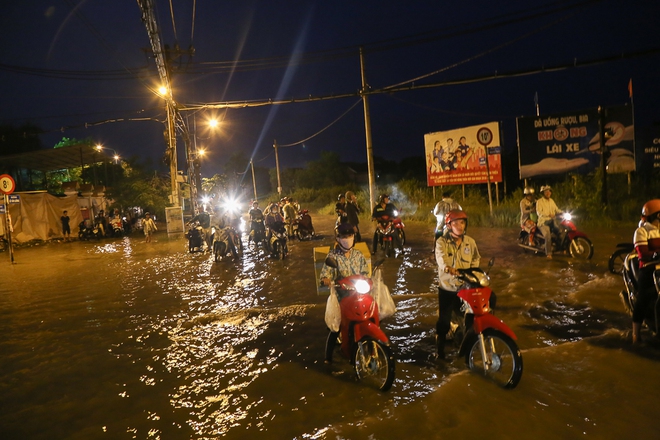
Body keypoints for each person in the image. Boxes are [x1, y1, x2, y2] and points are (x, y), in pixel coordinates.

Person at [435, 209, 485, 359]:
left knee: (471, 318)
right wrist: (449, 268)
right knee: (443, 321)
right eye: (456, 223)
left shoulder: (470, 242)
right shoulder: (441, 242)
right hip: (448, 288)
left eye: (462, 222)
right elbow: (441, 259)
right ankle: (439, 352)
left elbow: (476, 258)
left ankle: (466, 349)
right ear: (449, 225)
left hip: (466, 288)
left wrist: (474, 272)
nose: (460, 226)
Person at [319, 223, 369, 363]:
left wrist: (369, 279)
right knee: (336, 326)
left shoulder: (358, 255)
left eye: (350, 236)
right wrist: (326, 280)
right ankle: (328, 356)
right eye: (344, 236)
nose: (347, 239)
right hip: (342, 296)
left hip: (359, 294)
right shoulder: (333, 256)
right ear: (338, 238)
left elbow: (365, 272)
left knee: (373, 313)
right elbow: (325, 274)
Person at [631, 199, 660, 344]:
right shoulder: (641, 231)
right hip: (649, 269)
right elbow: (643, 253)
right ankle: (635, 334)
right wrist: (655, 254)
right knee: (643, 297)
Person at [536, 185, 562, 258]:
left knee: (560, 231)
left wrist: (563, 212)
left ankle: (561, 248)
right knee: (547, 235)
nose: (548, 193)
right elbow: (539, 212)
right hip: (543, 222)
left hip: (551, 221)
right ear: (543, 193)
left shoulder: (551, 201)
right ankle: (549, 253)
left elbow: (556, 209)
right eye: (546, 191)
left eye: (549, 191)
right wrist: (548, 214)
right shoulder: (539, 202)